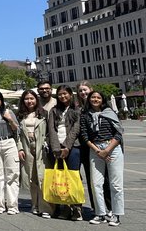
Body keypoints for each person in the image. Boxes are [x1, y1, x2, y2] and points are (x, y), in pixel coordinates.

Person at [81, 91, 125, 226]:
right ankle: (100, 213)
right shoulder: (85, 115)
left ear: (102, 99)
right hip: (95, 149)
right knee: (96, 184)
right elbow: (84, 135)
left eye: (98, 97)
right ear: (89, 99)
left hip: (112, 148)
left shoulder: (110, 113)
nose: (95, 99)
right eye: (93, 97)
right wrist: (97, 150)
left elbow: (119, 133)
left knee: (115, 184)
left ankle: (116, 215)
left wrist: (107, 150)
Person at [47, 85, 82, 221]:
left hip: (73, 147)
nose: (63, 96)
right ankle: (65, 207)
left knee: (73, 177)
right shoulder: (54, 110)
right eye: (60, 94)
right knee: (61, 178)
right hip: (57, 147)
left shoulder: (77, 110)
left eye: (65, 94)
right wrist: (56, 148)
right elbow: (52, 129)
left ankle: (77, 207)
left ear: (70, 95)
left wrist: (67, 146)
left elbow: (76, 129)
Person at [16, 89, 51, 218]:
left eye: (31, 98)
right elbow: (17, 135)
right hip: (27, 148)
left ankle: (45, 207)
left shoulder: (44, 114)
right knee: (32, 178)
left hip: (41, 148)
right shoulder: (20, 115)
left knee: (43, 177)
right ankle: (35, 205)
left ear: (36, 100)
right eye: (26, 99)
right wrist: (19, 148)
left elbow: (49, 132)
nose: (29, 101)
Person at [77, 81, 111, 214]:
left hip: (103, 146)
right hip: (86, 147)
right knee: (93, 179)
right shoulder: (79, 109)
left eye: (85, 90)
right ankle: (96, 207)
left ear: (91, 90)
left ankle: (109, 207)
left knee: (106, 178)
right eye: (80, 91)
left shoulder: (102, 107)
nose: (83, 93)